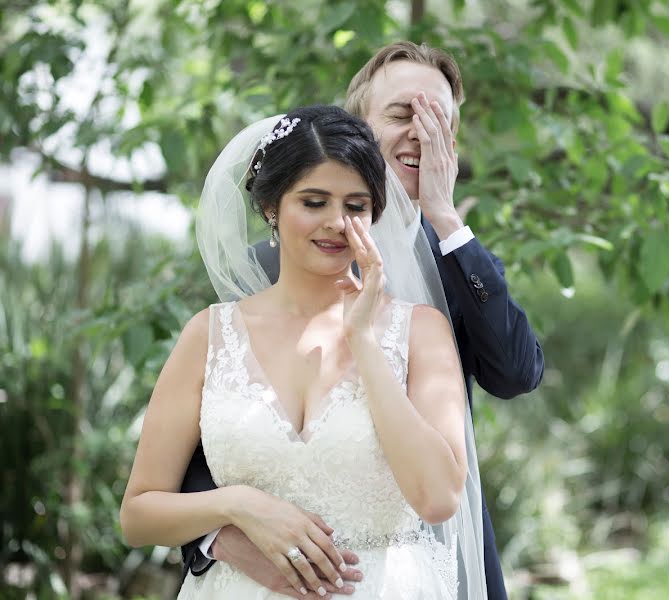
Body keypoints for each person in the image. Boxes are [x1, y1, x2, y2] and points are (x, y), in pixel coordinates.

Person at [181, 43, 544, 600]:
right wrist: (218, 537)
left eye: (438, 122)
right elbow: (215, 422)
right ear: (355, 128)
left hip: (426, 563)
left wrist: (444, 216)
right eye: (402, 115)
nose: (420, 134)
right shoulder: (266, 264)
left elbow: (516, 373)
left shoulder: (457, 258)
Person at [120, 105, 483, 598]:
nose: (336, 222)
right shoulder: (210, 334)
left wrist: (365, 342)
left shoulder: (420, 332)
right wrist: (239, 505)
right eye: (314, 202)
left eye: (355, 207)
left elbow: (439, 498)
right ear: (272, 207)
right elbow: (139, 516)